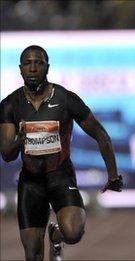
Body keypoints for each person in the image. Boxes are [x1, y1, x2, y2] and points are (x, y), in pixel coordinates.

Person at [0, 45, 123, 261]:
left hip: (61, 175)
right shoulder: (10, 105)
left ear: (47, 67)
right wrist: (20, 140)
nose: (33, 68)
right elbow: (7, 155)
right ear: (20, 69)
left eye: (38, 63)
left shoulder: (66, 99)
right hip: (31, 182)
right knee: (32, 254)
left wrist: (113, 176)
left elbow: (101, 134)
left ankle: (56, 234)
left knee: (73, 233)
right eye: (28, 63)